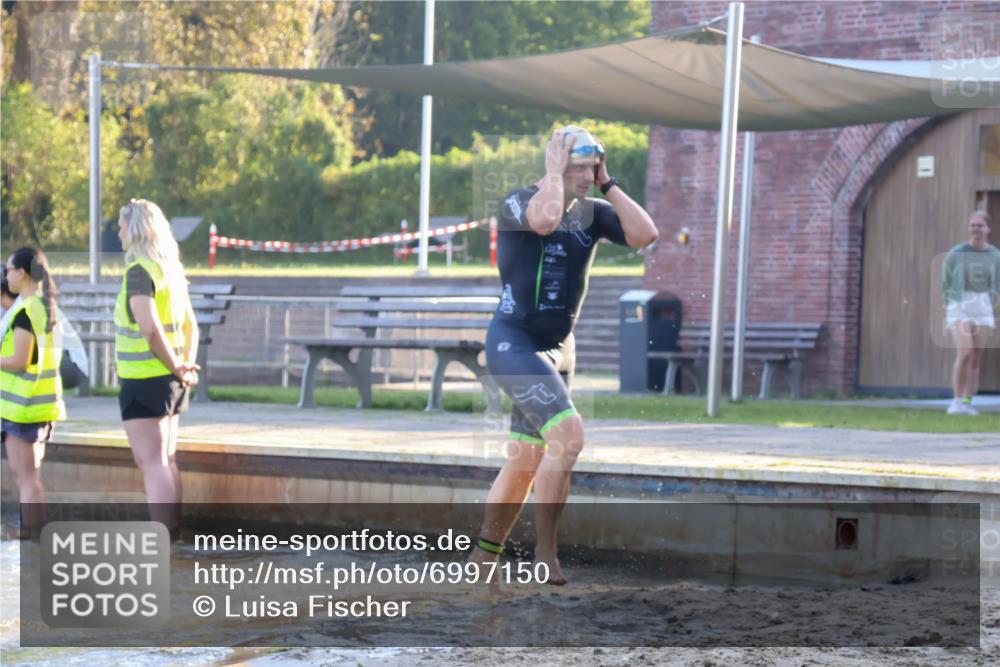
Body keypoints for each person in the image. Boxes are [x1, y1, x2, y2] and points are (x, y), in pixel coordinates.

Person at [469, 126, 658, 585]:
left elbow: (645, 234)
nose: (586, 174)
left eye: (592, 165)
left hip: (560, 352)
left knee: (526, 460)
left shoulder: (594, 214)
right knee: (569, 438)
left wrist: (609, 184)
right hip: (514, 343)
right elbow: (545, 221)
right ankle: (546, 556)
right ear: (556, 162)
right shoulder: (518, 201)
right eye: (579, 165)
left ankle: (483, 560)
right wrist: (555, 174)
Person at [115, 199, 200, 532]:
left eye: (122, 226)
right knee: (166, 460)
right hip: (170, 380)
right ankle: (173, 534)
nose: (118, 232)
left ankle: (162, 539)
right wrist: (184, 366)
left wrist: (177, 367)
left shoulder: (139, 272)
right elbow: (192, 324)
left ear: (135, 229)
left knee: (151, 464)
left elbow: (149, 329)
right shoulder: (170, 270)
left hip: (146, 379)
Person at [1, 247, 66, 534]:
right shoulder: (43, 306)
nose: (6, 275)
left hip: (22, 408)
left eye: (9, 270)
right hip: (38, 404)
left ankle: (31, 538)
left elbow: (20, 360)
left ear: (22, 273)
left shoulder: (27, 311)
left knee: (25, 478)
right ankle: (35, 534)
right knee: (32, 477)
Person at [942, 209, 1000, 415]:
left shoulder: (995, 255)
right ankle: (956, 401)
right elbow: (945, 278)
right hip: (960, 304)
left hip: (982, 304)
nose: (975, 229)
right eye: (972, 225)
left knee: (975, 358)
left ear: (988, 229)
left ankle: (967, 402)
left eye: (980, 225)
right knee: (964, 353)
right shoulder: (957, 253)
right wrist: (949, 301)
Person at [4, 274, 89, 391]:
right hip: (63, 361)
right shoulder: (18, 304)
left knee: (17, 352)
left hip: (72, 366)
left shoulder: (23, 306)